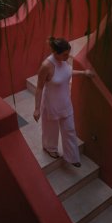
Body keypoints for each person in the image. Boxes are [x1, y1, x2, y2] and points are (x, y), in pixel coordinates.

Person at [33, 37, 94, 167]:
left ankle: (72, 156)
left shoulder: (63, 61)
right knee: (51, 130)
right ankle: (51, 149)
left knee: (70, 129)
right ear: (56, 53)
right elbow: (39, 88)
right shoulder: (46, 66)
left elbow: (67, 72)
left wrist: (83, 72)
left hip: (65, 102)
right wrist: (37, 108)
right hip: (51, 104)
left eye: (68, 53)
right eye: (65, 54)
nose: (68, 56)